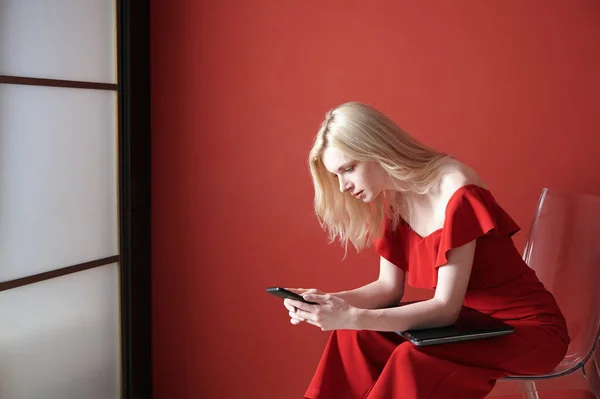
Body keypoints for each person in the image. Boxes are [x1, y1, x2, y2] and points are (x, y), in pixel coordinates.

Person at [283, 102, 569, 399]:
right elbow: (387, 289)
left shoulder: (456, 189)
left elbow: (445, 308)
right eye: (335, 176)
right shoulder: (393, 199)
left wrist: (351, 315)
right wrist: (325, 303)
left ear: (377, 149)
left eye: (348, 168)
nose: (343, 186)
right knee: (353, 336)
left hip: (528, 331)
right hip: (471, 326)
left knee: (410, 358)